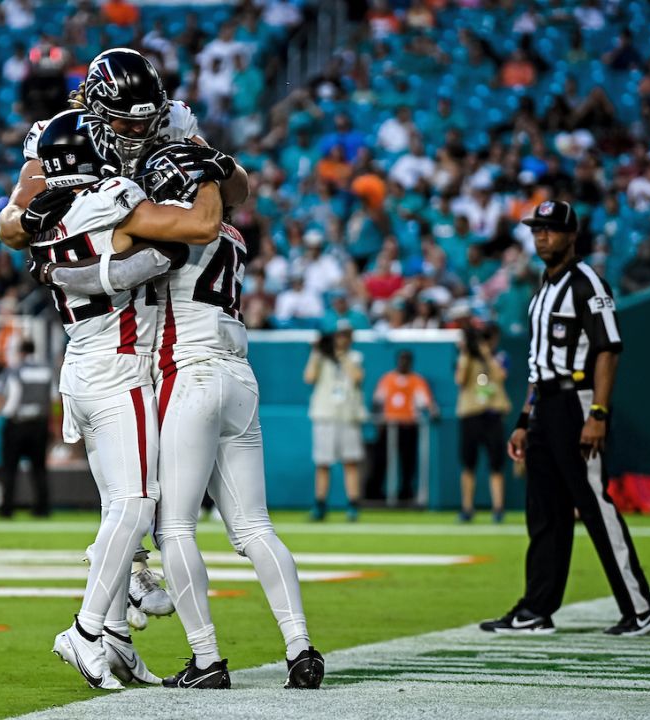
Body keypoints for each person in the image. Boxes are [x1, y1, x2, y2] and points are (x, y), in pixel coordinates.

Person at [35, 139, 324, 690]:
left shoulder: (174, 229)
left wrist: (52, 267)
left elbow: (122, 262)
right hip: (240, 375)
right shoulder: (234, 237)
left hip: (187, 375)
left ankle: (207, 658)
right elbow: (215, 212)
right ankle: (301, 647)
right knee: (255, 526)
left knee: (174, 527)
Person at [21, 109, 227, 690]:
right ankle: (86, 629)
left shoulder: (46, 218)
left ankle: (113, 634)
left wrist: (120, 269)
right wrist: (203, 168)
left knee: (117, 504)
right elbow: (198, 229)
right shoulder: (113, 198)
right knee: (137, 504)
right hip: (119, 369)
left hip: (81, 369)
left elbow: (56, 253)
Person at [480, 201, 650, 637]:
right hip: (546, 403)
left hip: (578, 401)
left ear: (571, 235)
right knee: (544, 511)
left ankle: (641, 608)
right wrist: (526, 418)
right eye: (536, 229)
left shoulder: (587, 284)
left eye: (550, 229)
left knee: (595, 505)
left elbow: (608, 349)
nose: (541, 236)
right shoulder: (542, 290)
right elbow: (538, 361)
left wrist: (598, 412)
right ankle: (536, 609)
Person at [0, 48, 249, 250]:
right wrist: (26, 222)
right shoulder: (60, 137)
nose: (140, 129)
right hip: (96, 258)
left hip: (162, 250)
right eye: (127, 121)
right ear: (97, 112)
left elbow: (238, 195)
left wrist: (224, 168)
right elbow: (9, 229)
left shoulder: (173, 121)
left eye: (147, 119)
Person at [0, 339, 53, 519]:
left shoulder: (13, 370)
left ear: (21, 351)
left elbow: (0, 396)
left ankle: (7, 508)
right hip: (39, 423)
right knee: (39, 468)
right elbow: (55, 399)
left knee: (9, 468)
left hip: (16, 423)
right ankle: (42, 508)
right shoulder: (46, 370)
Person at [304, 323, 367, 522]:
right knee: (323, 463)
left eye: (346, 336)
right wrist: (316, 352)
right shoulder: (321, 357)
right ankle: (320, 504)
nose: (342, 340)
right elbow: (309, 377)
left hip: (347, 416)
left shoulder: (354, 357)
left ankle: (353, 505)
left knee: (351, 462)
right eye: (339, 336)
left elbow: (357, 377)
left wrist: (342, 356)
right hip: (325, 414)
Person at [455, 324, 511, 523]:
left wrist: (487, 355)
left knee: (496, 464)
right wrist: (467, 354)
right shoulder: (466, 357)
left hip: (493, 414)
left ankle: (498, 507)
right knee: (468, 463)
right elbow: (460, 380)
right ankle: (467, 507)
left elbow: (501, 376)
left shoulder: (499, 357)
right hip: (471, 413)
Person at [372, 350, 439, 505]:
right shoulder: (387, 379)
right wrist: (378, 423)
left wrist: (434, 412)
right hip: (388, 426)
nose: (404, 363)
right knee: (381, 460)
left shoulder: (417, 380)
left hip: (408, 427)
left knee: (408, 462)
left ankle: (405, 492)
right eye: (401, 359)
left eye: (407, 360)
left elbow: (427, 402)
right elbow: (377, 401)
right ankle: (376, 491)